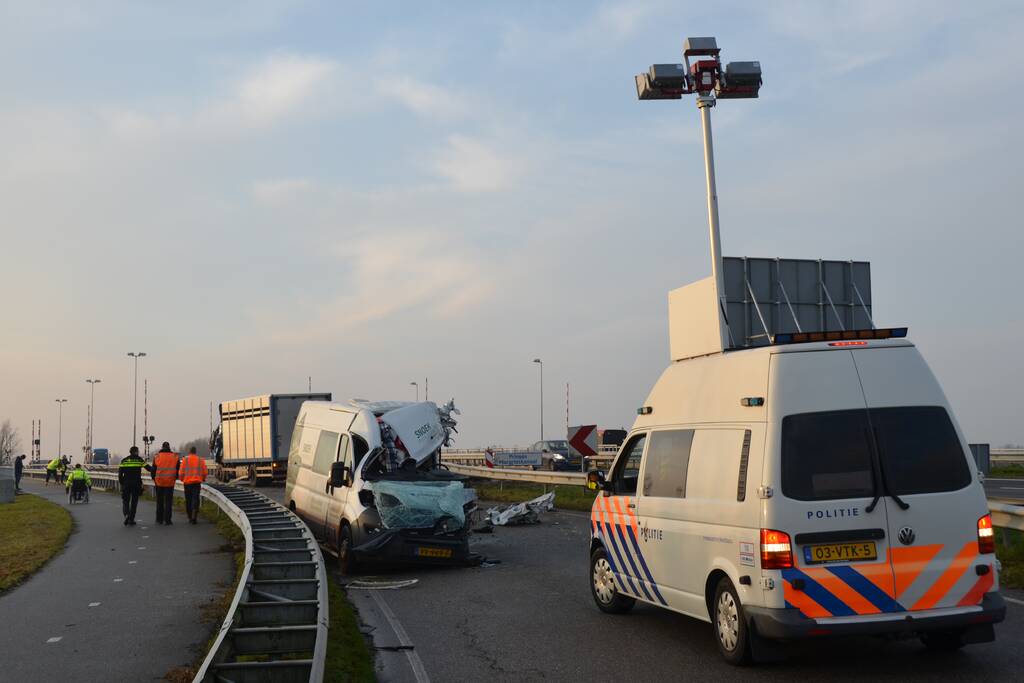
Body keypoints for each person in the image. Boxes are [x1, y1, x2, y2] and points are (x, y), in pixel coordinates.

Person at [151, 442, 180, 525]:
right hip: (170, 482)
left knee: (159, 501)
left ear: (162, 447)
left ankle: (159, 519)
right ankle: (168, 520)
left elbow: (153, 470)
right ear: (169, 447)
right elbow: (178, 469)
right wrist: (175, 477)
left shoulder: (157, 456)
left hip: (159, 482)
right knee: (168, 501)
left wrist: (154, 478)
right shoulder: (175, 457)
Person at [178, 446, 208, 524]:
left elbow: (181, 472)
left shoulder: (185, 460)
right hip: (196, 483)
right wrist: (203, 478)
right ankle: (195, 513)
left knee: (188, 500)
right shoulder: (200, 460)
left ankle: (190, 516)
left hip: (187, 483)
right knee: (195, 498)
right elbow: (205, 472)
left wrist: (182, 479)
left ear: (189, 452)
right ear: (195, 452)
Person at [118, 446, 147, 525]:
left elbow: (120, 474)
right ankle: (131, 519)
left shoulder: (124, 461)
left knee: (125, 501)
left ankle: (126, 514)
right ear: (136, 452)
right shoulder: (139, 460)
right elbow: (148, 468)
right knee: (134, 502)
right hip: (136, 484)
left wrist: (122, 483)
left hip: (126, 484)